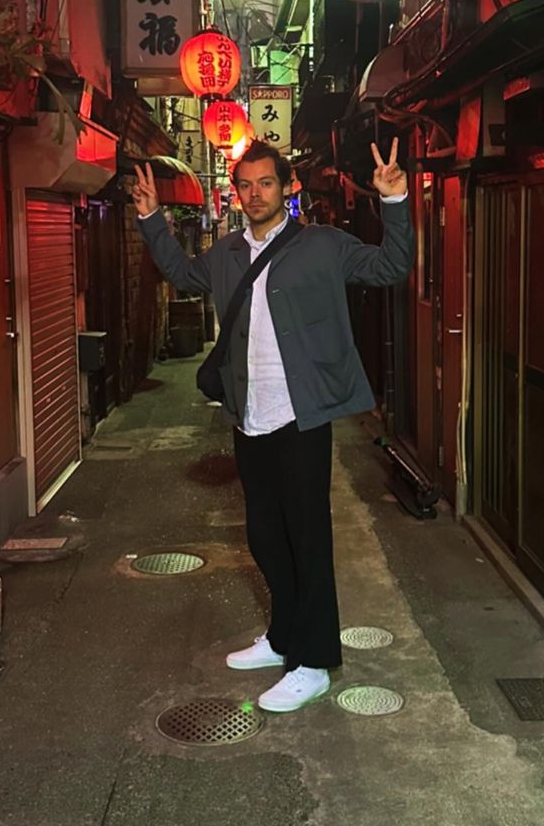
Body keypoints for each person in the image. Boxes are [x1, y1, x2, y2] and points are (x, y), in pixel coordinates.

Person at [132, 138, 413, 712]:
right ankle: (283, 634)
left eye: (266, 182)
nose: (255, 193)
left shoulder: (323, 245)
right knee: (263, 533)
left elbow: (392, 266)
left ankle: (313, 662)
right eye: (246, 184)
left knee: (306, 536)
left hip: (301, 415)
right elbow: (184, 276)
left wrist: (395, 201)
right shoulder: (229, 253)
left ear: (289, 188)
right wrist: (150, 218)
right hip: (249, 413)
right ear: (235, 194)